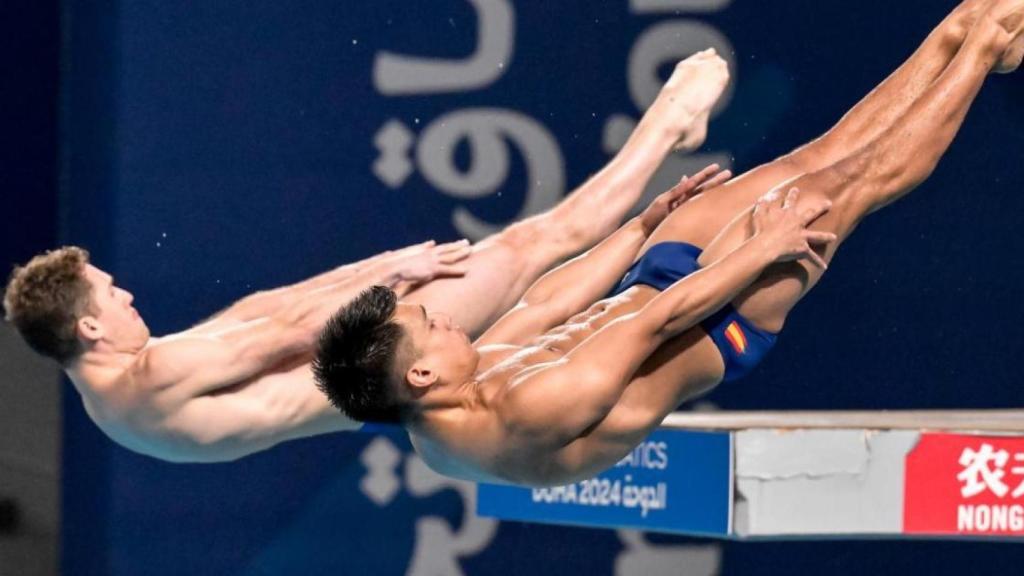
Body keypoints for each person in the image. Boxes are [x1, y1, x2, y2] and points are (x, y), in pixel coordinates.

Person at [313, 0, 1024, 485]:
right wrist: (765, 244)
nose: (445, 316)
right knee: (840, 187)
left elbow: (545, 303)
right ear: (421, 377)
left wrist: (643, 228)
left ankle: (957, 32)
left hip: (651, 289)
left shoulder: (452, 390)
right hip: (716, 325)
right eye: (429, 326)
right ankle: (987, 49)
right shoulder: (530, 412)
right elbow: (662, 322)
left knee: (811, 158)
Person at [2, 51, 730, 462]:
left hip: (371, 393)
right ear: (89, 328)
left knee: (537, 295)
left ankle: (647, 222)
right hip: (371, 368)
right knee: (533, 243)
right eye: (110, 292)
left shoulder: (114, 400)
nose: (126, 294)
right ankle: (671, 119)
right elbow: (296, 333)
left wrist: (376, 269)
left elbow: (264, 312)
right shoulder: (154, 370)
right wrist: (387, 285)